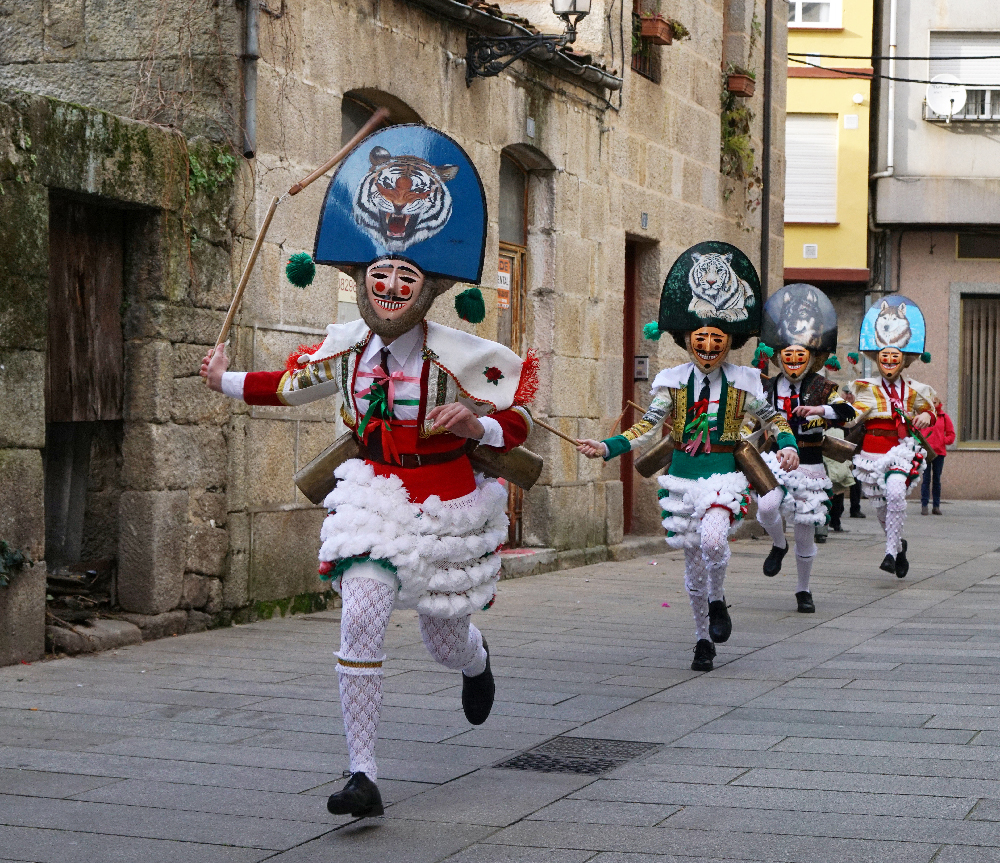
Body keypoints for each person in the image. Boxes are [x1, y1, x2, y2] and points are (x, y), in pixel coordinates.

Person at [201, 125, 537, 819]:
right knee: (359, 614)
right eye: (378, 276)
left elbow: (520, 425)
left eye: (403, 278)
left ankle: (476, 660)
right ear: (359, 280)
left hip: (444, 501)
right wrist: (224, 380)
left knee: (443, 638)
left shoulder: (458, 358)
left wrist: (476, 425)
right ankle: (363, 773)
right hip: (373, 493)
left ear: (427, 287)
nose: (388, 287)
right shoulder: (348, 351)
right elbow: (290, 382)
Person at [577, 242, 797, 672]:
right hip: (682, 478)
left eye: (718, 338)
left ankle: (719, 602)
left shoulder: (744, 381)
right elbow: (645, 428)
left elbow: (774, 419)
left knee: (715, 538)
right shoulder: (672, 382)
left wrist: (787, 443)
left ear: (729, 340)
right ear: (687, 340)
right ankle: (702, 640)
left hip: (723, 477)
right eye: (702, 337)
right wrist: (607, 448)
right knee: (694, 564)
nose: (710, 345)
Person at [747, 284, 856, 613]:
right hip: (773, 459)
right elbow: (753, 421)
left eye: (800, 355)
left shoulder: (824, 386)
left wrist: (819, 411)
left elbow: (848, 414)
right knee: (766, 508)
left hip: (809, 464)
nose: (793, 361)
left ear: (812, 357)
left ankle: (803, 589)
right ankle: (778, 544)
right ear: (779, 355)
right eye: (788, 355)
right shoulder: (766, 386)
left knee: (806, 530)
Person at [848, 296, 936, 578]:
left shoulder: (915, 389)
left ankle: (888, 553)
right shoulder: (864, 387)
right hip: (872, 452)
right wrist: (838, 411)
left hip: (900, 449)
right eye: (884, 356)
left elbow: (931, 411)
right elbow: (852, 415)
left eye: (894, 357)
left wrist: (926, 417)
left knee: (896, 493)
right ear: (877, 357)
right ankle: (899, 547)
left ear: (904, 360)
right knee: (882, 510)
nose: (889, 361)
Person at [921, 397, 954, 515]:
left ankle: (936, 506)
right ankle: (924, 505)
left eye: (934, 402)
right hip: (926, 452)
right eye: (931, 402)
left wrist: (943, 440)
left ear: (939, 403)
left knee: (936, 480)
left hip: (939, 453)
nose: (933, 404)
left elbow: (951, 434)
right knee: (926, 479)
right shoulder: (923, 416)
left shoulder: (944, 417)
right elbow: (916, 431)